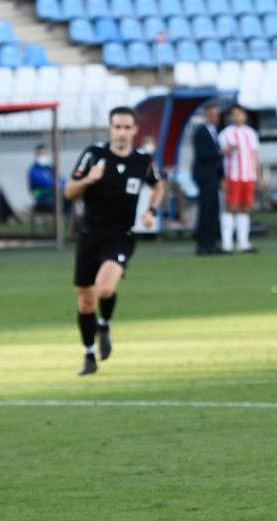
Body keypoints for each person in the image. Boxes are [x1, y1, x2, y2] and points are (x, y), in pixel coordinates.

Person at [64, 106, 163, 376]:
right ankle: (88, 356)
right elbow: (69, 191)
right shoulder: (93, 155)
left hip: (121, 236)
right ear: (110, 129)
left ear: (134, 130)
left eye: (126, 127)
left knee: (104, 289)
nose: (121, 132)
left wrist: (151, 211)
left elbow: (158, 186)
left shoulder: (142, 161)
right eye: (116, 127)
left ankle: (104, 324)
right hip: (89, 236)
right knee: (85, 301)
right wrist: (88, 179)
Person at [218, 105, 259, 253]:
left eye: (240, 114)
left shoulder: (251, 133)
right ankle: (227, 243)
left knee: (246, 208)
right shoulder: (225, 134)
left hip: (248, 176)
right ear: (230, 117)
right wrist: (229, 150)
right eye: (234, 115)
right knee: (230, 207)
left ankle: (243, 242)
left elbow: (255, 155)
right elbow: (221, 154)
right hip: (233, 175)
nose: (237, 117)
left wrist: (258, 175)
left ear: (244, 116)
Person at [192, 103, 223, 255]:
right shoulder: (200, 132)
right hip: (205, 176)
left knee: (213, 210)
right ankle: (202, 245)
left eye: (216, 115)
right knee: (205, 210)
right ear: (206, 115)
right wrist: (220, 152)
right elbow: (203, 154)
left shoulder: (216, 131)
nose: (215, 118)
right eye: (212, 115)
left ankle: (213, 243)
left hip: (214, 176)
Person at [28, 143, 56, 213]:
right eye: (40, 153)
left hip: (54, 195)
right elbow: (46, 183)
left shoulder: (49, 168)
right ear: (36, 153)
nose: (43, 155)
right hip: (42, 198)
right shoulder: (34, 170)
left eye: (44, 153)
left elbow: (61, 179)